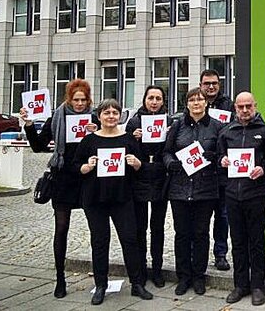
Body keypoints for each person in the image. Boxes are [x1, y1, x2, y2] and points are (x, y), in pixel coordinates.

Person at [20, 79, 99, 299]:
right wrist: (28, 124)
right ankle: (60, 279)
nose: (80, 104)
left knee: (96, 228)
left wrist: (95, 134)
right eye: (76, 100)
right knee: (61, 228)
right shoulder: (56, 117)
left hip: (87, 178)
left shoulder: (93, 118)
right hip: (63, 179)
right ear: (69, 99)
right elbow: (38, 146)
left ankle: (100, 278)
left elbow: (106, 145)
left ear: (89, 100)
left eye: (84, 100)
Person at [73, 99, 153, 305]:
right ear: (99, 116)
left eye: (114, 113)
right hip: (95, 199)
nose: (111, 116)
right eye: (106, 113)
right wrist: (85, 167)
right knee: (100, 241)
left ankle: (137, 283)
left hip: (122, 198)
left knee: (130, 240)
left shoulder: (128, 139)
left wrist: (137, 163)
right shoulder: (89, 141)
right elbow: (75, 166)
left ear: (120, 116)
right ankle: (101, 285)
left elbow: (142, 167)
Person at [163, 87, 223, 296]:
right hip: (180, 188)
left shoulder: (216, 126)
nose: (196, 103)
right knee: (182, 234)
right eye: (192, 100)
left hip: (205, 188)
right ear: (186, 104)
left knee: (201, 234)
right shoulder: (177, 125)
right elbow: (166, 152)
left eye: (200, 99)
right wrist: (171, 164)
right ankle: (183, 276)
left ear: (206, 102)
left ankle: (198, 276)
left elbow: (223, 154)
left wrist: (214, 157)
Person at [218, 91, 265, 306]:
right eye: (241, 106)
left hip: (255, 194)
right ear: (235, 108)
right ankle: (240, 284)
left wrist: (263, 168)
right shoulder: (226, 132)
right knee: (238, 241)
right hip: (232, 195)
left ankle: (257, 285)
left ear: (255, 106)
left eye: (249, 106)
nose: (245, 110)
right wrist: (222, 161)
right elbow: (218, 158)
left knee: (256, 241)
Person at [124, 85, 171, 288]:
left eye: (158, 98)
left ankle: (157, 268)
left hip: (160, 175)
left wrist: (169, 135)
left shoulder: (169, 121)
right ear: (144, 99)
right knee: (139, 226)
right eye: (151, 98)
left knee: (157, 227)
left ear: (163, 101)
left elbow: (172, 148)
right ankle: (141, 268)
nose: (154, 102)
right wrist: (133, 138)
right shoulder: (134, 121)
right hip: (139, 175)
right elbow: (125, 147)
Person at [200, 69, 234, 271]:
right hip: (201, 170)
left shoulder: (229, 105)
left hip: (222, 170)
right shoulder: (195, 103)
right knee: (201, 218)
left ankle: (220, 254)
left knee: (222, 216)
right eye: (207, 83)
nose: (211, 86)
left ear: (219, 85)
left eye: (214, 83)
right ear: (201, 85)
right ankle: (199, 255)